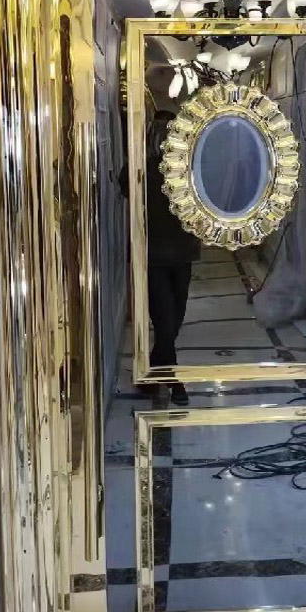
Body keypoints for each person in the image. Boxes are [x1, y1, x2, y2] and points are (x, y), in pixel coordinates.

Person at [124, 110, 200, 405]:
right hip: (153, 257)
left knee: (174, 320)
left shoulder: (185, 168)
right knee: (166, 322)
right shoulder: (141, 168)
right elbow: (124, 185)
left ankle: (153, 371)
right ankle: (174, 381)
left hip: (182, 254)